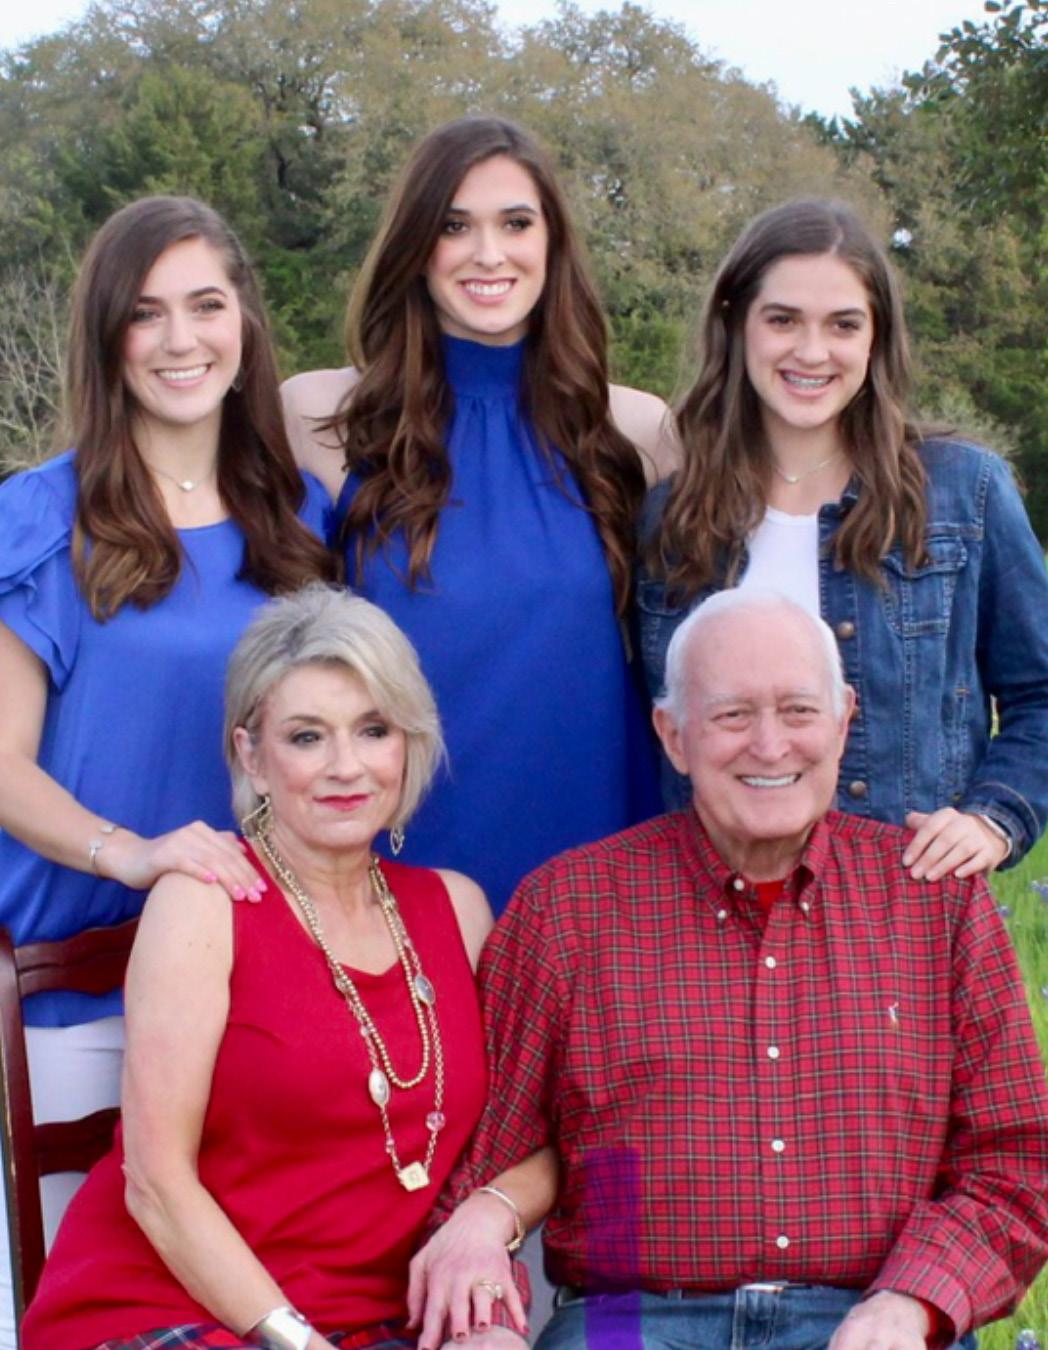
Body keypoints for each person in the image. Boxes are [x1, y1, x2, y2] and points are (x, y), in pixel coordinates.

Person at [411, 589, 1048, 1350]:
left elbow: (1016, 1164)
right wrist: (485, 1324)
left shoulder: (934, 900)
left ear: (844, 721)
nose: (770, 746)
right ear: (673, 736)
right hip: (625, 1321)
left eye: (798, 711)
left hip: (872, 1314)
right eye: (733, 715)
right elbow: (481, 1162)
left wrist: (910, 1303)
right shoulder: (568, 905)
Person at [23, 584, 554, 1350]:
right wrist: (297, 1342)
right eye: (307, 737)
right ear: (252, 756)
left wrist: (488, 1214)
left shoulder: (459, 909)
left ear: (408, 743)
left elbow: (541, 1132)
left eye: (373, 730)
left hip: (378, 1321)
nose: (346, 766)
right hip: (171, 1308)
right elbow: (156, 1183)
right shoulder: (204, 902)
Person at [0, 196, 336, 1346]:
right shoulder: (38, 517)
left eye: (206, 305)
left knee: (251, 1306)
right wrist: (131, 854)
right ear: (107, 337)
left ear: (246, 322)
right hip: (75, 997)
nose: (181, 339)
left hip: (261, 1000)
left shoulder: (299, 518)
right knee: (94, 1314)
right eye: (146, 313)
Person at [282, 114, 677, 911]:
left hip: (595, 869)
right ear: (415, 245)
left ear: (553, 242)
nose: (488, 254)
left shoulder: (635, 432)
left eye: (516, 224)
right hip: (391, 873)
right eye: (455, 226)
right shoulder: (323, 418)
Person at [637, 198, 1048, 879]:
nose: (812, 351)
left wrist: (993, 819)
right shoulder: (673, 517)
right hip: (710, 908)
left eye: (843, 325)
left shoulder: (962, 492)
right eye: (783, 320)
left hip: (904, 901)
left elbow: (1041, 692)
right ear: (736, 324)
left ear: (876, 338)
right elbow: (646, 725)